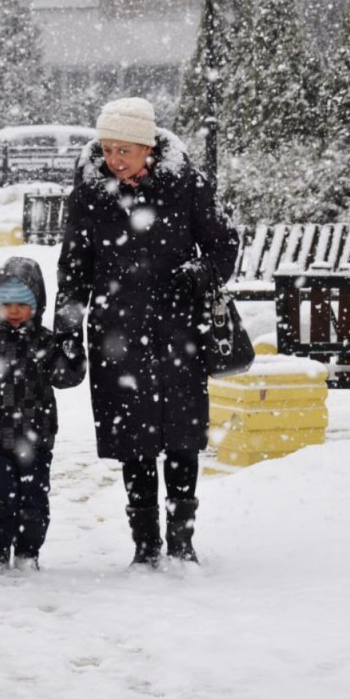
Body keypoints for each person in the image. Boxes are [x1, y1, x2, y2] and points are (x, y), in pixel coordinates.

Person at [53, 97, 240, 568]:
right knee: (132, 440)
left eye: (125, 150)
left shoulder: (187, 186)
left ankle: (182, 542)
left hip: (179, 329)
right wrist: (68, 333)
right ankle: (146, 545)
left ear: (148, 148)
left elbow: (223, 246)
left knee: (181, 437)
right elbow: (73, 272)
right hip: (116, 331)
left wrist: (197, 273)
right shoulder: (89, 196)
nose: (115, 159)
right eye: (109, 149)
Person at [0, 256, 84, 580]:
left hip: (35, 439)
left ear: (37, 304)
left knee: (33, 500)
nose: (14, 310)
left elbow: (66, 378)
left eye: (22, 303)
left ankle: (27, 552)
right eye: (6, 303)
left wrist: (72, 349)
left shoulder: (47, 344)